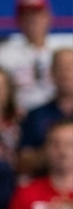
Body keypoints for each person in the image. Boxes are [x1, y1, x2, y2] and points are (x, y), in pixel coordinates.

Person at [0, 0, 73, 114]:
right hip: (18, 117)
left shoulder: (65, 48)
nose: (33, 20)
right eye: (27, 15)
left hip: (61, 114)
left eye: (38, 14)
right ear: (18, 20)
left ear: (48, 16)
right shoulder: (4, 54)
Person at [17, 47, 73, 178]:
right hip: (44, 185)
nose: (66, 73)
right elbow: (22, 163)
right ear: (51, 73)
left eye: (70, 67)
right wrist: (54, 152)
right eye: (60, 68)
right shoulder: (35, 116)